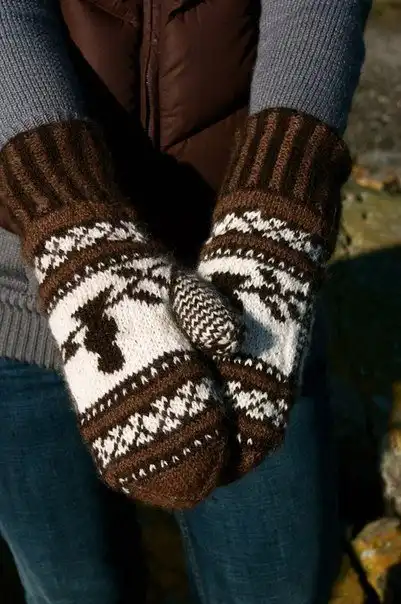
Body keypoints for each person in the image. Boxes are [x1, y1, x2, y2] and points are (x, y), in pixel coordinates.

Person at [0, 1, 371, 602]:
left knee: (275, 583)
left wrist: (281, 197)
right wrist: (71, 218)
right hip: (15, 291)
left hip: (249, 283)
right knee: (70, 589)